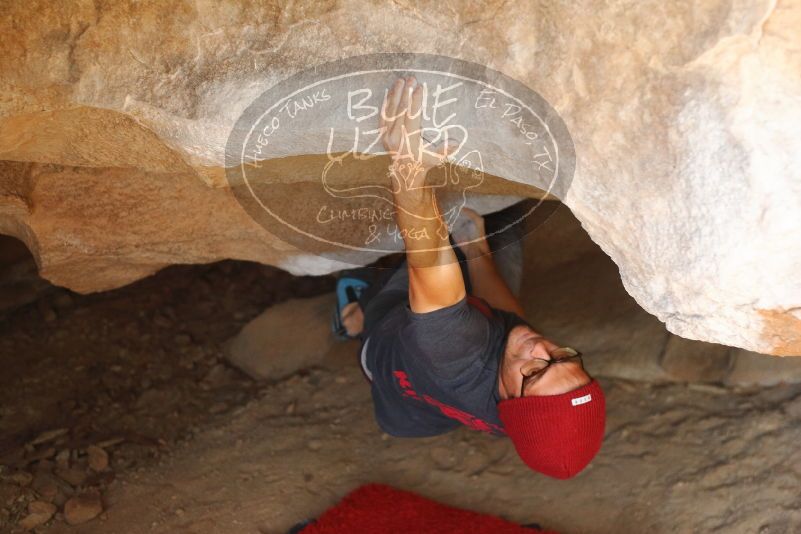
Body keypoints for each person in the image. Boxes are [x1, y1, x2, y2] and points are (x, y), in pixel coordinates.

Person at [338, 76, 605, 479]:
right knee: (500, 228)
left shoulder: (452, 350)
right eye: (565, 357)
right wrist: (476, 247)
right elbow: (515, 324)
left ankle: (357, 313)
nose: (543, 348)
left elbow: (428, 257)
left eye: (536, 371)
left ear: (512, 402)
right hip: (417, 413)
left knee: (451, 242)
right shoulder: (519, 421)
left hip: (388, 343)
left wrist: (407, 161)